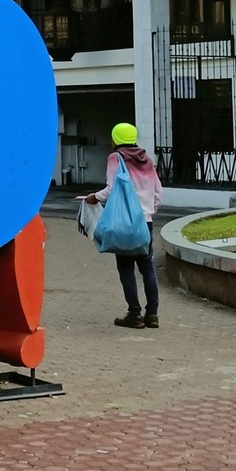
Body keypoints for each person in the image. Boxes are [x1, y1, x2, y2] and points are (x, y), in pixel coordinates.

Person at [83, 123, 166, 329]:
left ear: (116, 138)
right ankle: (153, 315)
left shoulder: (116, 158)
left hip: (123, 224)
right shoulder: (146, 159)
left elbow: (111, 190)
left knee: (126, 268)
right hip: (145, 223)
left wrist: (94, 197)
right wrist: (148, 210)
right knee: (148, 267)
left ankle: (134, 314)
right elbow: (158, 192)